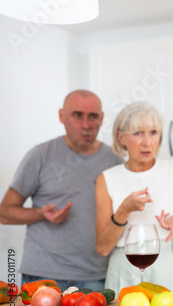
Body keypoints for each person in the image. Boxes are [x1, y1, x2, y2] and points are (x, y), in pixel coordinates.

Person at [0, 90, 123, 292]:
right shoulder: (40, 155)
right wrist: (40, 214)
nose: (86, 124)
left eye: (93, 116)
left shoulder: (115, 161)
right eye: (77, 115)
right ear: (61, 116)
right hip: (42, 275)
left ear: (101, 119)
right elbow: (4, 213)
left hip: (95, 276)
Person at [95, 101, 173, 301]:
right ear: (121, 137)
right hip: (124, 268)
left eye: (153, 132)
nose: (147, 142)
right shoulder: (106, 179)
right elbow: (102, 247)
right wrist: (124, 210)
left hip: (171, 265)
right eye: (137, 133)